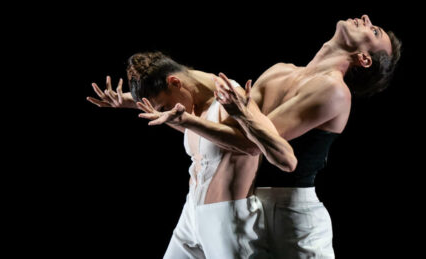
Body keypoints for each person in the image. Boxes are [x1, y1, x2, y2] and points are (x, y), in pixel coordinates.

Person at [205, 14, 402, 258]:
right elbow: (234, 130)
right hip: (254, 201)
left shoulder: (335, 91)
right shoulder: (280, 70)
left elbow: (248, 140)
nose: (366, 18)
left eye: (374, 32)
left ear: (363, 58)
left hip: (295, 215)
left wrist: (192, 119)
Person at [87, 52, 296, 258]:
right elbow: (192, 127)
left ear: (175, 82)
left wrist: (188, 121)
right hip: (192, 214)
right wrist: (125, 101)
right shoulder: (190, 100)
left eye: (165, 107)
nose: (165, 112)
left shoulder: (229, 97)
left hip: (226, 220)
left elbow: (253, 147)